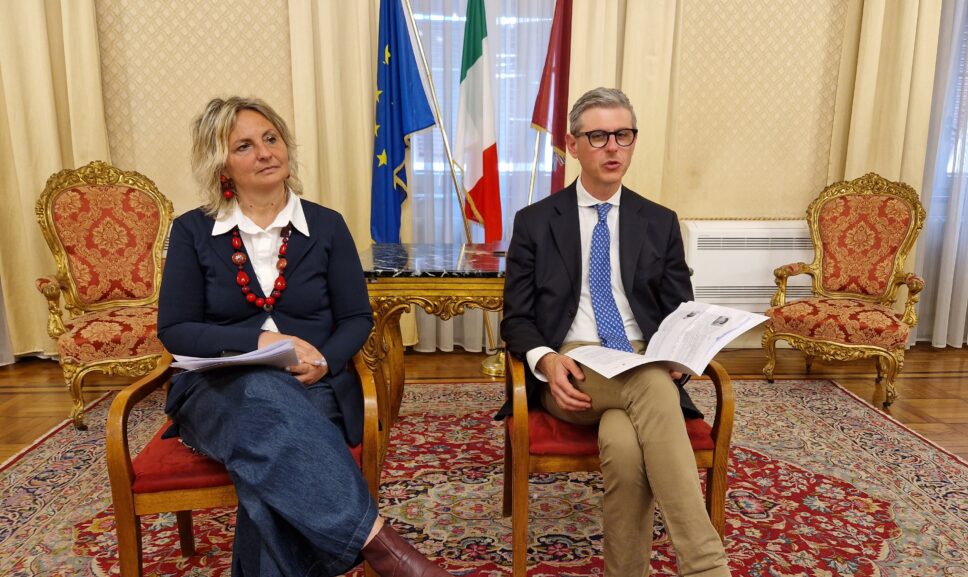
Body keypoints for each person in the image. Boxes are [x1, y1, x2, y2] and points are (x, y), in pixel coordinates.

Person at [158, 96, 453, 577]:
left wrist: (324, 360)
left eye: (271, 138)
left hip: (311, 385)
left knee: (269, 466)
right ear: (221, 164)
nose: (265, 152)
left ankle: (386, 553)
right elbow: (175, 330)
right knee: (263, 396)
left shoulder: (327, 225)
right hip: (216, 391)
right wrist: (259, 344)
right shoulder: (192, 231)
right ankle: (381, 544)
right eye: (244, 146)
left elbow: (356, 318)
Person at [499, 87, 732, 577]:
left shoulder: (659, 221)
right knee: (651, 384)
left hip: (642, 356)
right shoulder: (536, 222)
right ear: (572, 144)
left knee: (625, 446)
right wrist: (545, 359)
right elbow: (516, 318)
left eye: (623, 135)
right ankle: (706, 567)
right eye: (598, 136)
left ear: (633, 141)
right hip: (573, 366)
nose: (612, 147)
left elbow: (680, 310)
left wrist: (679, 351)